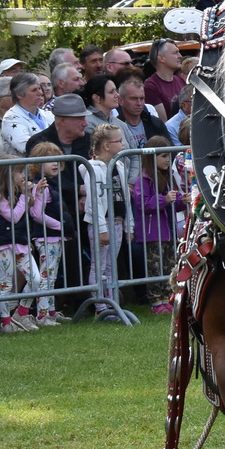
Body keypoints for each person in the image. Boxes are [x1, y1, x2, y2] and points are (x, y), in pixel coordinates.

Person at [0, 155, 46, 332]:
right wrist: (23, 195)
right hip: (5, 245)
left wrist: (36, 194)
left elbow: (34, 212)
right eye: (19, 171)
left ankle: (21, 312)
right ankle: (6, 322)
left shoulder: (21, 193)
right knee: (5, 284)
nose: (23, 175)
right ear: (6, 174)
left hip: (21, 243)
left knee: (36, 279)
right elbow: (13, 217)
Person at [129, 135, 182, 313]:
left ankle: (168, 298)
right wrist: (163, 199)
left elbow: (175, 201)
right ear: (152, 158)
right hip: (152, 233)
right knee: (155, 268)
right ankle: (156, 301)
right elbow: (142, 204)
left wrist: (184, 200)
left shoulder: (167, 178)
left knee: (169, 266)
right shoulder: (143, 180)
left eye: (169, 156)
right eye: (163, 156)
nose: (168, 160)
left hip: (168, 231)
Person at [84, 124, 127, 322]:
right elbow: (94, 203)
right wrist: (101, 229)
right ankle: (100, 306)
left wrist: (129, 225)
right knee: (99, 266)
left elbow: (125, 197)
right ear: (106, 146)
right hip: (102, 223)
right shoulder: (93, 169)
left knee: (110, 266)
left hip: (117, 221)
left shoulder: (119, 165)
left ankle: (111, 304)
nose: (123, 144)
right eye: (119, 141)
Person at [23, 143, 68, 326]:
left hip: (54, 236)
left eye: (56, 158)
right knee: (46, 276)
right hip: (47, 236)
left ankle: (50, 311)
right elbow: (36, 213)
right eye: (49, 159)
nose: (54, 163)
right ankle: (42, 315)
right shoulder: (40, 185)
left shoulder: (51, 183)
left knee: (52, 275)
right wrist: (59, 225)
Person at [1, 73, 53, 153]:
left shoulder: (48, 114)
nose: (40, 93)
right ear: (19, 95)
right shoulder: (11, 119)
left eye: (39, 88)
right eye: (34, 90)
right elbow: (27, 146)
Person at [112, 78, 168, 151]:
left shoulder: (156, 124)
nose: (139, 103)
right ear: (121, 101)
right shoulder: (114, 128)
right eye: (134, 99)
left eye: (142, 98)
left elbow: (170, 152)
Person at [142, 39, 186, 114]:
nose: (180, 56)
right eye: (175, 53)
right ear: (161, 58)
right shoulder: (150, 86)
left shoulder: (180, 80)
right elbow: (163, 123)